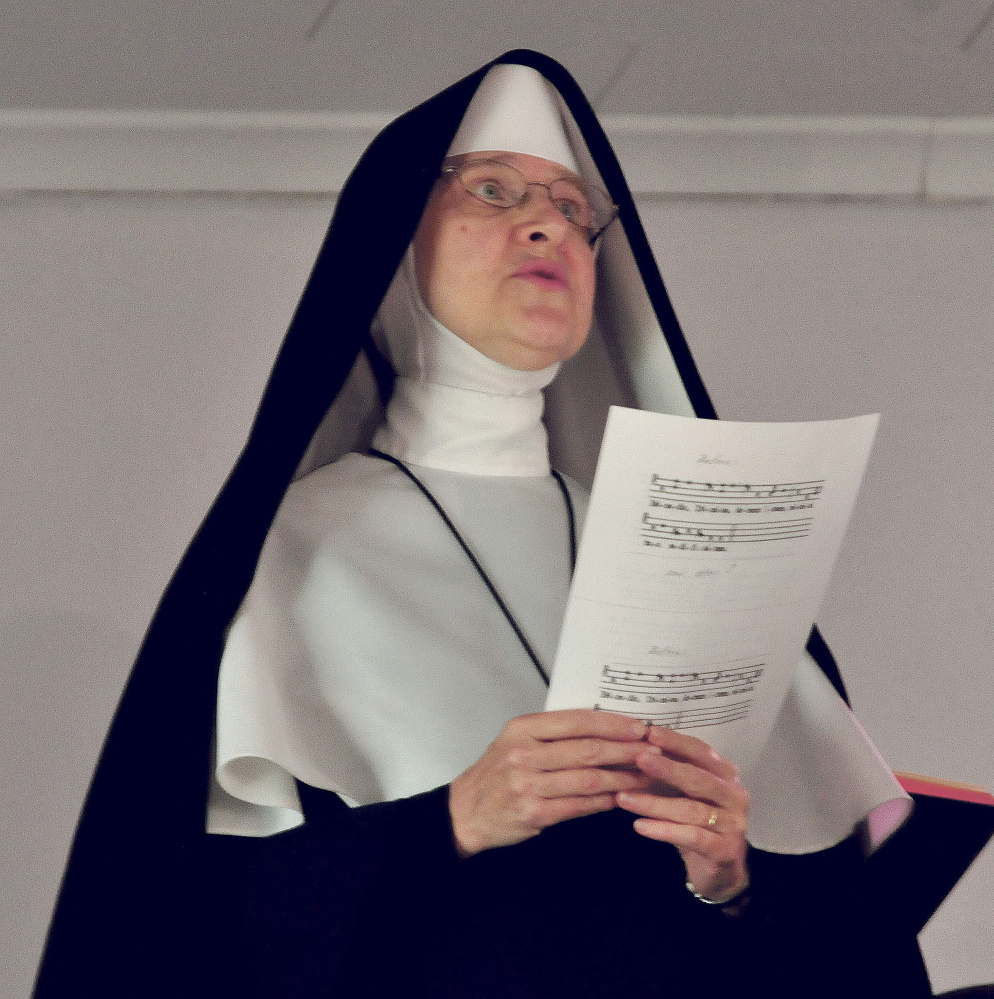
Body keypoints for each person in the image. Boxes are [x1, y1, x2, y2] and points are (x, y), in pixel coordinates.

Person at [33, 51, 933, 998]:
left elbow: (842, 949)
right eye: (493, 190)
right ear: (393, 247)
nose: (548, 222)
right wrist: (453, 818)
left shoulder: (681, 547)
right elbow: (194, 932)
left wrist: (732, 878)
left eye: (574, 209)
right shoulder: (291, 546)